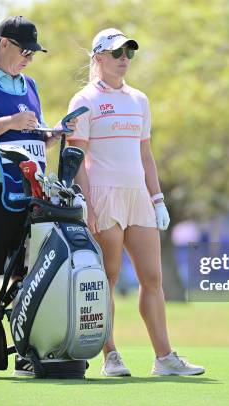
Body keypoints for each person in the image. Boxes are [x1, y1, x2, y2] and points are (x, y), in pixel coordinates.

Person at [66, 28, 205, 376]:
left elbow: (146, 154)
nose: (124, 59)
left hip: (138, 198)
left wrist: (157, 199)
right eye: (116, 53)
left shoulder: (140, 100)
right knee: (107, 279)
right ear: (98, 57)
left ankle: (164, 358)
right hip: (103, 196)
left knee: (152, 278)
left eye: (128, 52)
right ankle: (109, 356)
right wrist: (87, 204)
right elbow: (77, 157)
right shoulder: (84, 101)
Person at [0, 16, 76, 379]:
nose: (29, 59)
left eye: (34, 53)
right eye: (25, 51)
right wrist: (7, 122)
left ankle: (24, 349)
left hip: (28, 191)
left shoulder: (30, 86)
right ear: (3, 43)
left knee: (27, 274)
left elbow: (32, 136)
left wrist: (52, 134)